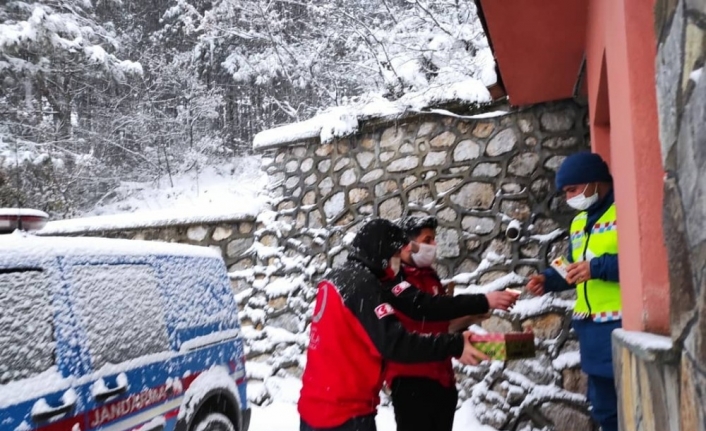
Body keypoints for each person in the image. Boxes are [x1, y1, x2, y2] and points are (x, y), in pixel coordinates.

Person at [298, 218, 514, 431]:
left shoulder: (343, 278)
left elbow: (423, 306)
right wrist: (456, 343)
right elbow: (395, 342)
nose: (396, 262)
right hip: (348, 410)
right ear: (381, 253)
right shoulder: (363, 285)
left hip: (322, 404)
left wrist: (475, 312)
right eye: (394, 255)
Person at [525, 152, 620, 431]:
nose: (569, 198)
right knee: (604, 410)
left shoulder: (624, 209)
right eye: (565, 192)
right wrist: (548, 280)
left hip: (619, 326)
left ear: (595, 182)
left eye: (573, 190)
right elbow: (573, 268)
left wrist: (596, 268)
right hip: (591, 332)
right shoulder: (578, 223)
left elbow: (641, 259)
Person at [383, 215, 499, 431]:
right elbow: (417, 319)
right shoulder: (395, 281)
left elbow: (438, 322)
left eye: (434, 239)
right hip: (411, 381)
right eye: (428, 240)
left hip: (442, 378)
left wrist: (471, 319)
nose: (434, 245)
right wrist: (480, 301)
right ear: (408, 245)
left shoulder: (430, 277)